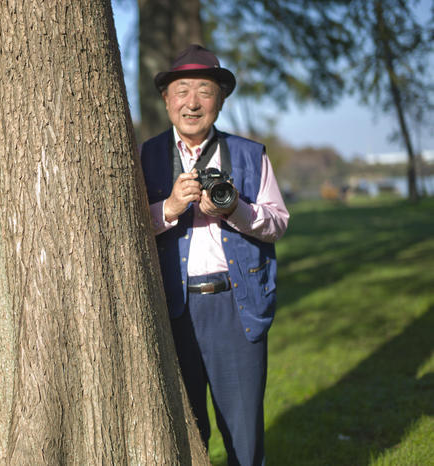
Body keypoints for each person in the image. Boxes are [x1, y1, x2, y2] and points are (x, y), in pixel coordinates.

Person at [140, 44, 289, 466]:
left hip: (236, 308)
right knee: (184, 431)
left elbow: (278, 222)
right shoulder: (143, 155)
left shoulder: (250, 154)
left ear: (220, 100)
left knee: (243, 432)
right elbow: (121, 234)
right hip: (170, 309)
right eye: (182, 90)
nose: (192, 102)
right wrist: (167, 209)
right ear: (167, 99)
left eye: (204, 91)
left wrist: (235, 210)